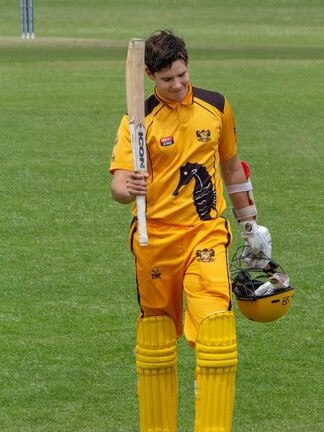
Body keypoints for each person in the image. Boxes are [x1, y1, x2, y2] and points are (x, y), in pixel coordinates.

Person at [109, 30, 271, 432]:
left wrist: (250, 224)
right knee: (158, 339)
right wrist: (126, 187)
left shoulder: (216, 106)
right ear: (149, 75)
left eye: (182, 75)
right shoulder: (138, 118)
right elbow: (118, 184)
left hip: (206, 233)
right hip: (155, 239)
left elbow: (232, 167)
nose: (178, 85)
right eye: (167, 80)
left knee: (216, 327)